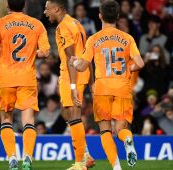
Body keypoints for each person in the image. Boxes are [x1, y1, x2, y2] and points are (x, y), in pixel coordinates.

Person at [72, 0, 144, 169]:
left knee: (105, 130)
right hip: (122, 87)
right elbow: (140, 63)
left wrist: (75, 62)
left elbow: (82, 66)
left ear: (100, 16)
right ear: (118, 17)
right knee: (121, 129)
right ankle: (127, 140)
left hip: (102, 88)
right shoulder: (128, 38)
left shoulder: (93, 39)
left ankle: (116, 167)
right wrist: (128, 68)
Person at [0, 0, 50, 169]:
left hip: (5, 78)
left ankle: (12, 158)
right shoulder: (37, 25)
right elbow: (45, 52)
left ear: (7, 7)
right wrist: (30, 53)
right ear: (24, 6)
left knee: (6, 119)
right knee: (28, 120)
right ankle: (27, 156)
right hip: (27, 78)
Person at [44, 0, 95, 169]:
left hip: (72, 74)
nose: (45, 12)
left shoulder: (63, 27)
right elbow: (87, 53)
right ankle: (85, 155)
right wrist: (91, 81)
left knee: (73, 115)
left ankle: (80, 163)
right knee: (69, 113)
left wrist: (72, 86)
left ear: (56, 8)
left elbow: (70, 58)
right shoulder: (77, 23)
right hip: (82, 71)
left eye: (47, 9)